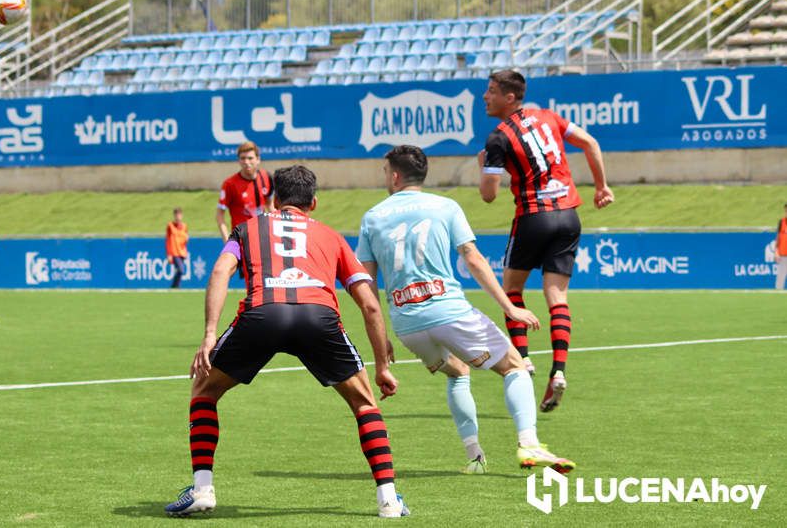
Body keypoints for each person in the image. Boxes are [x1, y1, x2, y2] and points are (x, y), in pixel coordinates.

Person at [165, 165, 409, 518]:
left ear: (274, 200)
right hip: (319, 317)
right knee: (365, 404)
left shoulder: (247, 227)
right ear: (314, 202)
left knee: (204, 390)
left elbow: (220, 270)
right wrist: (383, 366)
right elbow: (370, 303)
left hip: (263, 314)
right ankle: (388, 501)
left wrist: (208, 336)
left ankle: (203, 489)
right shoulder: (331, 235)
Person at [357, 145, 575, 475]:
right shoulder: (445, 206)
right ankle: (529, 443)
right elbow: (472, 258)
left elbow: (366, 286)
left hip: (408, 325)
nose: (386, 177)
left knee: (458, 372)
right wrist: (510, 307)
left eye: (386, 171)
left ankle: (474, 456)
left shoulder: (372, 217)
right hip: (449, 312)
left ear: (396, 175)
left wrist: (382, 341)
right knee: (515, 366)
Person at [478, 69, 614, 412]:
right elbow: (591, 143)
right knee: (557, 296)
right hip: (568, 216)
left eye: (491, 91)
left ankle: (523, 361)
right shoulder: (548, 116)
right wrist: (601, 186)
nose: (485, 96)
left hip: (533, 218)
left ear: (510, 97)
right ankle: (559, 370)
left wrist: (486, 167)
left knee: (511, 292)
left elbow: (489, 195)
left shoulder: (498, 138)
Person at [215, 141, 274, 242]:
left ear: (258, 159)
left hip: (263, 237)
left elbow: (270, 205)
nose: (246, 162)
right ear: (239, 160)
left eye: (250, 158)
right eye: (243, 158)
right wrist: (227, 241)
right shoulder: (229, 184)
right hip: (242, 240)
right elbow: (220, 215)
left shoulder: (266, 177)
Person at [165, 207, 189, 289]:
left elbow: (185, 239)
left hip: (182, 252)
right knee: (181, 270)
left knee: (180, 271)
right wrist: (169, 254)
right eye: (176, 215)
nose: (178, 217)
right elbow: (168, 240)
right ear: (174, 216)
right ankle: (174, 286)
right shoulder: (170, 226)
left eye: (179, 214)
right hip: (174, 253)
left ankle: (176, 287)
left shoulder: (185, 226)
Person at [776, 203, 787, 290]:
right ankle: (778, 295)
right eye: (786, 210)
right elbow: (778, 238)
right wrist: (776, 252)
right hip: (783, 254)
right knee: (781, 276)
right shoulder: (781, 222)